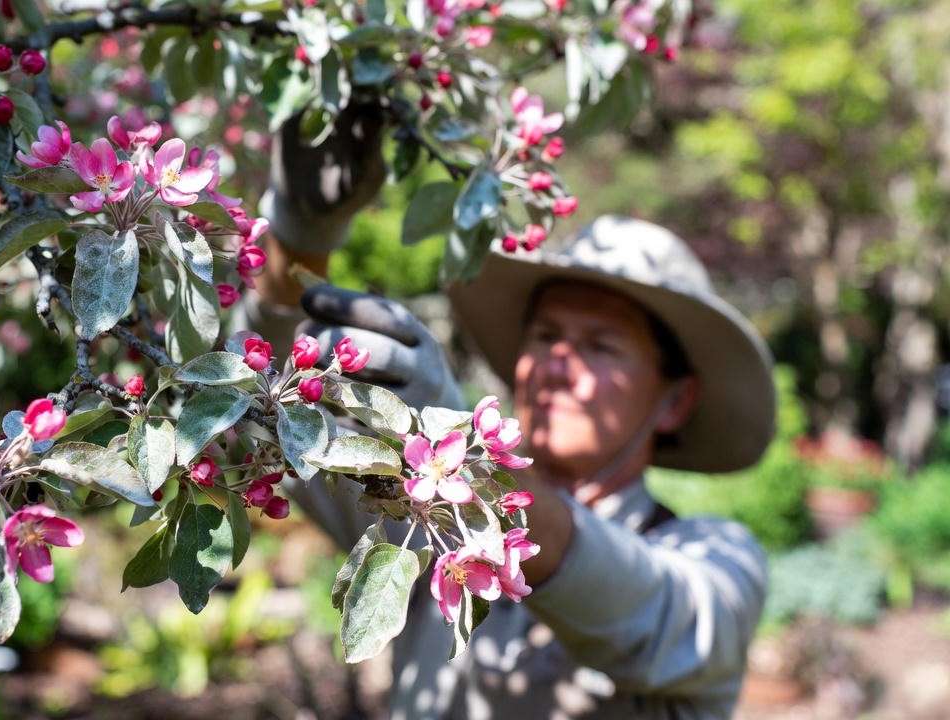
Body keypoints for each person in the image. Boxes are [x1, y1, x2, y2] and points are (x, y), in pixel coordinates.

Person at [236, 104, 776, 720]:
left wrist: (453, 445)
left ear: (674, 401)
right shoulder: (419, 522)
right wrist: (299, 238)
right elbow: (259, 412)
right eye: (545, 337)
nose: (557, 364)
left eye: (601, 346)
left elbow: (627, 598)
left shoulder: (717, 560)